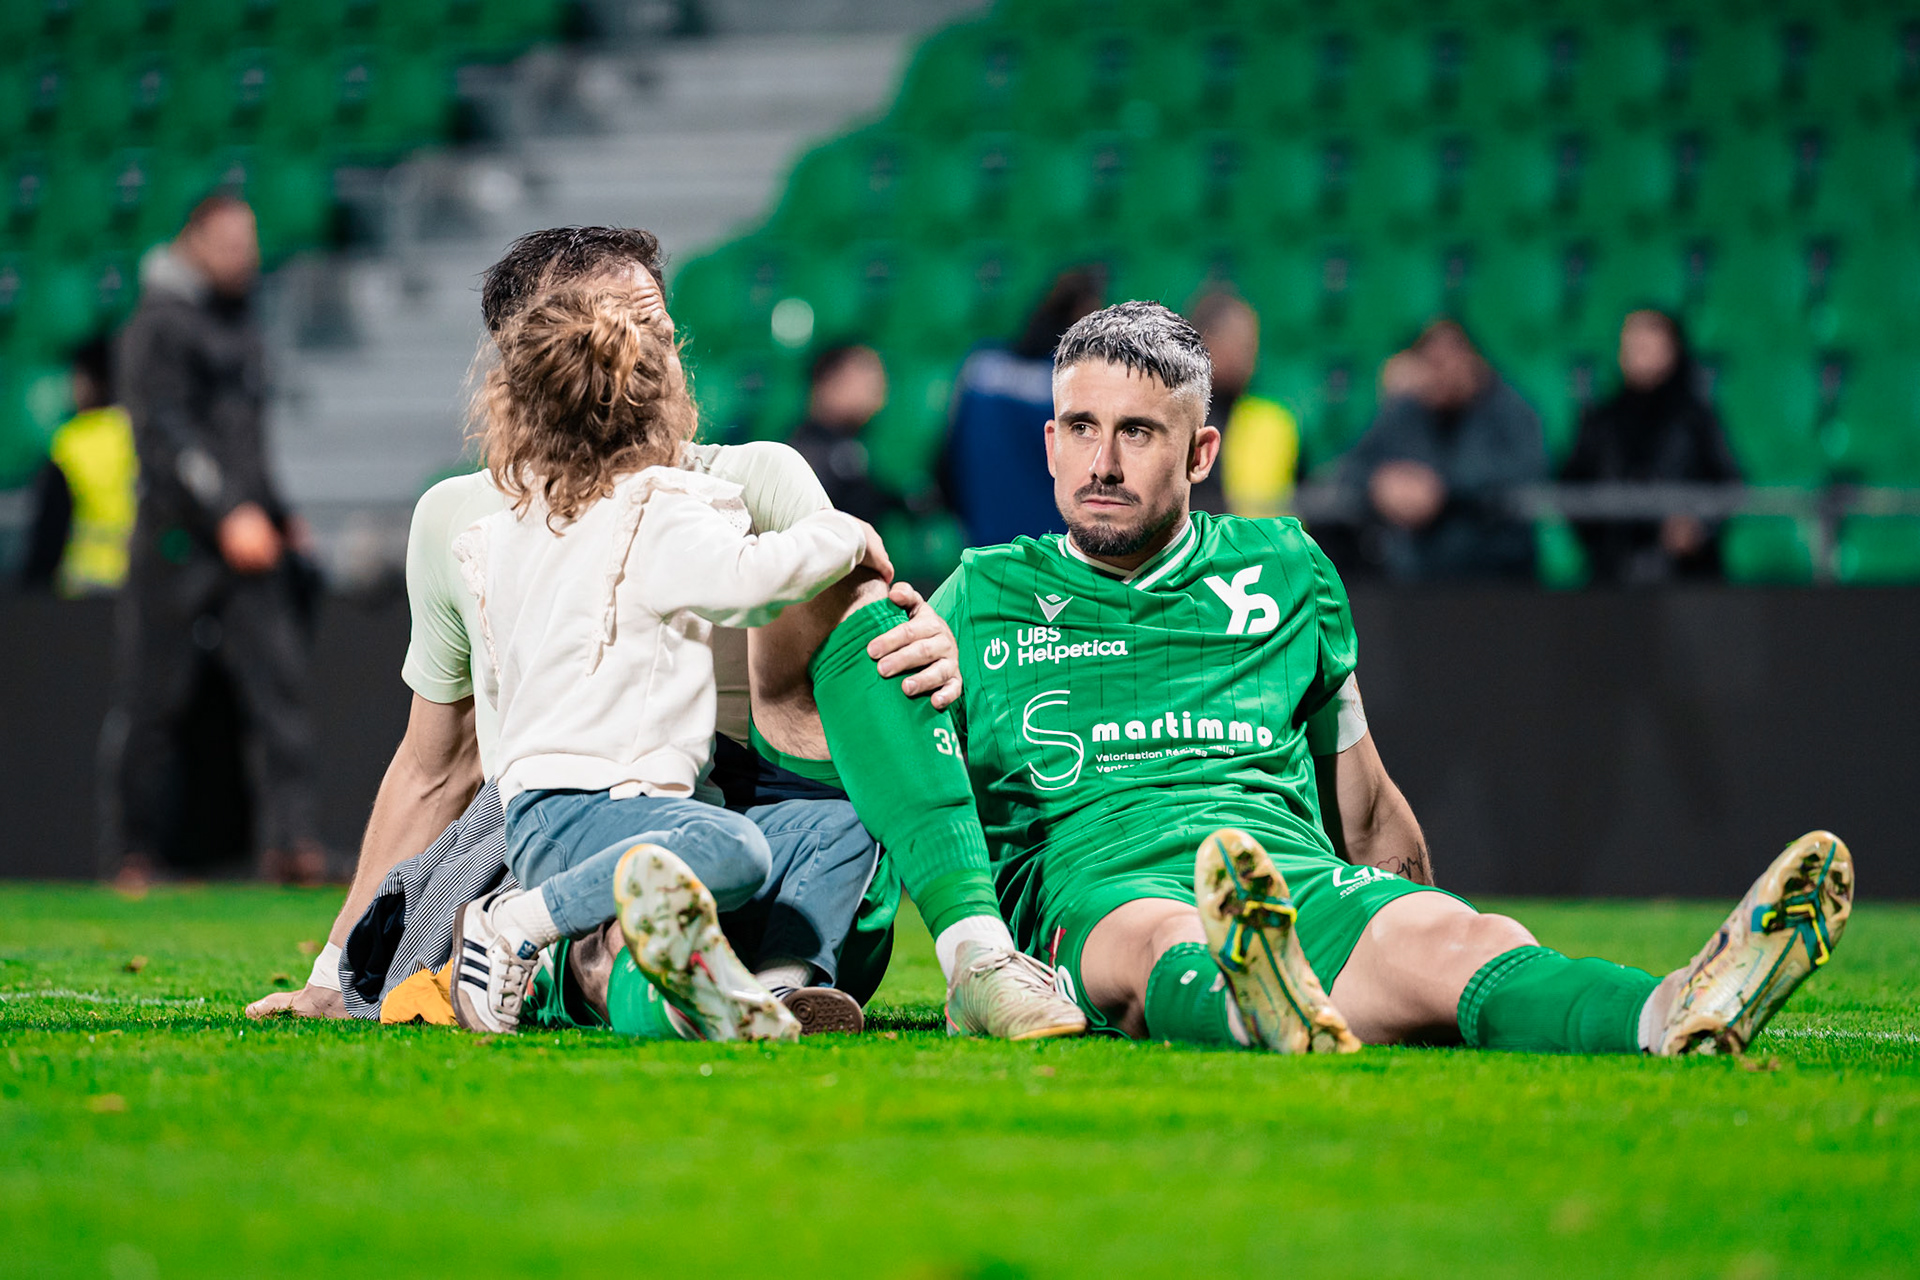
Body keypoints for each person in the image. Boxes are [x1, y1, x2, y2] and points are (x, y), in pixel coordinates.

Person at [930, 300, 1852, 1056]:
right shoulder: (981, 594)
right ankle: (1255, 1006)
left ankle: (1676, 1009)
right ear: (1049, 443)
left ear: (1200, 454)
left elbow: (1361, 799)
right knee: (1161, 937)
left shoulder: (1283, 567)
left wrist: (1407, 903)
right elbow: (890, 767)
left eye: (1137, 433)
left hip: (1279, 878)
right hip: (1102, 885)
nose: (1103, 463)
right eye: (1083, 429)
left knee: (1467, 941)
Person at [247, 227, 1082, 1043]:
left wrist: (922, 630)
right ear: (535, 359)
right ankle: (640, 973)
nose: (652, 354)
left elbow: (869, 624)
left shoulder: (753, 476)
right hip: (556, 825)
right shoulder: (461, 518)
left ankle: (948, 960)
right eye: (618, 331)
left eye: (660, 330)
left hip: (727, 799)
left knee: (836, 778)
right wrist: (333, 975)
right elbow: (437, 767)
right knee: (639, 914)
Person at [447, 277, 883, 1040]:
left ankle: (776, 991)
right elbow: (752, 586)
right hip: (594, 810)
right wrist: (842, 532)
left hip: (550, 812)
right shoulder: (658, 508)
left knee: (837, 824)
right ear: (662, 406)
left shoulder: (508, 527)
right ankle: (515, 925)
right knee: (735, 848)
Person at [107, 194, 322, 887]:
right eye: (229, 242)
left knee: (280, 692)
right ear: (194, 241)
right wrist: (229, 511)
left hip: (250, 537)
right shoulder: (157, 325)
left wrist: (276, 510)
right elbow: (168, 437)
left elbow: (244, 441)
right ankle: (136, 853)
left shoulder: (242, 321)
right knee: (153, 699)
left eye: (249, 241)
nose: (244, 255)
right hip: (178, 542)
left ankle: (293, 843)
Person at [1343, 319, 1547, 581]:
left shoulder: (1508, 409)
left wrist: (1442, 486)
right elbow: (1351, 468)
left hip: (1496, 573)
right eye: (1433, 362)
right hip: (1417, 578)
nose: (1444, 372)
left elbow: (1528, 469)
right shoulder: (1407, 411)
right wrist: (1380, 484)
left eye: (1452, 358)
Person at [1563, 309, 1741, 585]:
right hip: (1614, 574)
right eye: (1630, 345)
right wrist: (1604, 531)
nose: (1636, 353)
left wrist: (1697, 526)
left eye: (1646, 345)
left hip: (1685, 576)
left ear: (1671, 350)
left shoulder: (1695, 419)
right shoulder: (1602, 420)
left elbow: (1729, 483)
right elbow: (1572, 485)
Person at [944, 266, 1104, 547]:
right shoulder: (1071, 382)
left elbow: (947, 455)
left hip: (983, 540)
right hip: (1050, 546)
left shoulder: (981, 365)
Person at [20, 336, 137, 596]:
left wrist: (32, 586)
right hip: (139, 583)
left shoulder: (71, 442)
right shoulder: (142, 436)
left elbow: (50, 530)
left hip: (83, 591)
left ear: (87, 381)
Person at [1186, 290, 1298, 519]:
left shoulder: (1271, 420)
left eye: (1250, 343)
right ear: (1203, 341)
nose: (1246, 354)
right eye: (1235, 340)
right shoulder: (1179, 418)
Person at [787, 343, 902, 527]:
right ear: (828, 381)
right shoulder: (802, 456)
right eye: (865, 380)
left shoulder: (855, 450)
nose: (877, 391)